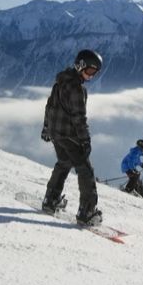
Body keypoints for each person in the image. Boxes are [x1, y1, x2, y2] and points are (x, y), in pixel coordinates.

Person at [40, 49, 103, 225]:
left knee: (64, 163)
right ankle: (87, 212)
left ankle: (50, 200)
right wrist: (85, 140)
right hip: (70, 136)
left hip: (56, 134)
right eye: (90, 71)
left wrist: (46, 128)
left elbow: (49, 107)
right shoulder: (77, 89)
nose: (91, 76)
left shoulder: (60, 82)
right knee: (85, 171)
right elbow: (79, 118)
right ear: (80, 65)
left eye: (95, 73)